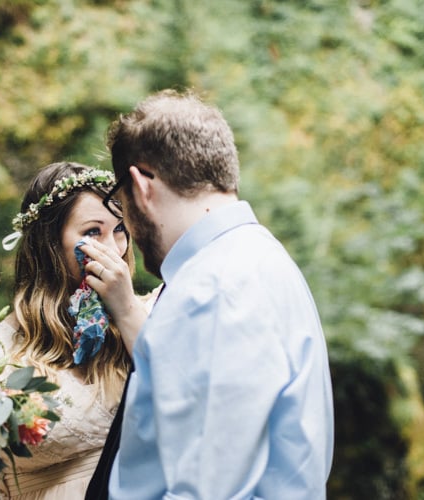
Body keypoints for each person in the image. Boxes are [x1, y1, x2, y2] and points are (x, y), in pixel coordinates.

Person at [102, 89, 335, 499]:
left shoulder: (216, 287)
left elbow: (206, 490)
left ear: (141, 186)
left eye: (119, 203)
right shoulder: (258, 259)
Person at [0, 161, 153, 499]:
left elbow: (186, 400)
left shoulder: (154, 315)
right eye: (93, 231)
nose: (113, 249)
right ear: (50, 243)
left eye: (120, 229)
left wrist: (126, 310)